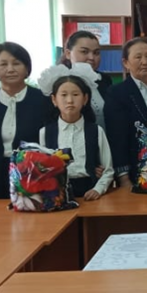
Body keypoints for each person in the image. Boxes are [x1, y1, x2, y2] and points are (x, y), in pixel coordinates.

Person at [0, 41, 52, 199]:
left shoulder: (44, 100)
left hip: (32, 175)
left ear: (27, 68)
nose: (10, 69)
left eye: (16, 63)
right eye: (3, 64)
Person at [38, 73, 113, 201]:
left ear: (85, 99)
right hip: (58, 195)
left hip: (90, 192)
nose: (69, 100)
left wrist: (98, 189)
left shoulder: (96, 131)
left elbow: (108, 170)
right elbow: (43, 170)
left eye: (75, 94)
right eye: (63, 95)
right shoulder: (45, 132)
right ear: (54, 100)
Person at [104, 38, 147, 186]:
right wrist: (123, 177)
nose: (145, 61)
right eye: (138, 57)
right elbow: (117, 138)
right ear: (126, 63)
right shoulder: (117, 93)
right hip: (136, 169)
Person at [63, 30, 112, 99]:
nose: (91, 57)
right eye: (84, 51)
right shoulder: (58, 80)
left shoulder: (104, 79)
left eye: (96, 53)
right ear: (68, 54)